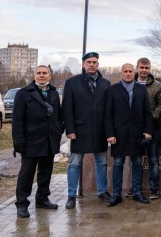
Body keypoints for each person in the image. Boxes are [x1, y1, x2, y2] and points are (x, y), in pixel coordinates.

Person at [12, 65, 64, 218]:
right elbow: (17, 119)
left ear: (50, 75)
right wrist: (18, 140)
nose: (41, 76)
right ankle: (21, 203)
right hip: (31, 140)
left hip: (49, 140)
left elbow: (59, 115)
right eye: (39, 73)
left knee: (46, 172)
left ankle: (42, 198)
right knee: (26, 173)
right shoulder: (23, 93)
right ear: (34, 75)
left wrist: (59, 128)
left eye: (44, 73)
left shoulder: (54, 93)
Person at [63, 52, 111, 209]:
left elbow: (108, 110)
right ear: (83, 65)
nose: (91, 64)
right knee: (75, 163)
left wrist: (109, 131)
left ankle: (102, 190)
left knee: (102, 163)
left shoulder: (105, 83)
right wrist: (70, 129)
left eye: (94, 62)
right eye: (88, 62)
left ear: (98, 64)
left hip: (99, 131)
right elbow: (67, 108)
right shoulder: (72, 82)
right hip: (79, 130)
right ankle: (71, 194)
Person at [104, 63, 154, 207]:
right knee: (118, 164)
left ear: (134, 73)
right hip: (118, 135)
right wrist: (110, 134)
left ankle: (137, 192)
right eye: (125, 71)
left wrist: (148, 131)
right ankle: (116, 194)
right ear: (121, 73)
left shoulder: (141, 89)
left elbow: (147, 113)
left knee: (137, 163)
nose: (128, 74)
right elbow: (108, 114)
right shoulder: (112, 90)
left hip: (137, 134)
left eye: (130, 71)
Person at [125, 57, 161, 200]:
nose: (144, 70)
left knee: (153, 158)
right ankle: (135, 187)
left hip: (152, 127)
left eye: (146, 68)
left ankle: (154, 188)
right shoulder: (129, 84)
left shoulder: (157, 86)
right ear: (137, 68)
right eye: (141, 67)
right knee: (135, 159)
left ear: (150, 69)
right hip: (133, 129)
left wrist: (151, 118)